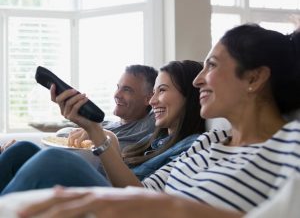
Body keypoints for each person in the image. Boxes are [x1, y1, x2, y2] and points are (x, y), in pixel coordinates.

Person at [3, 23, 300, 218]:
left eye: (211, 65)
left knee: (57, 162)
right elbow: (140, 192)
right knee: (33, 155)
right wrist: (94, 129)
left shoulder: (291, 144)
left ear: (254, 77)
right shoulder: (208, 143)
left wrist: (177, 208)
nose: (198, 80)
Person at [0, 60, 205, 191]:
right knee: (22, 149)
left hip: (120, 201)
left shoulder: (192, 146)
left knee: (54, 159)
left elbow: (139, 194)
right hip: (106, 184)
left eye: (162, 90)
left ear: (189, 96)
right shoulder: (157, 140)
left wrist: (98, 133)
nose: (153, 101)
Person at [66, 64, 158, 150]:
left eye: (127, 90)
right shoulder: (104, 124)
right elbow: (64, 133)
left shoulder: (150, 125)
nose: (117, 95)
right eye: (118, 87)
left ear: (148, 99)